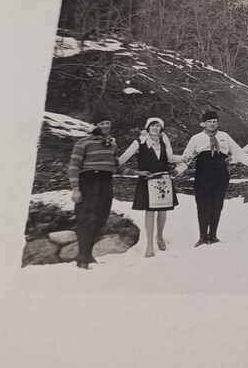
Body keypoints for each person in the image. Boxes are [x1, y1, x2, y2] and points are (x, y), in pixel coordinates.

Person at [181, 110, 248, 246]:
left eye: (215, 121)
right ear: (204, 124)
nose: (212, 124)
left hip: (221, 175)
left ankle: (213, 236)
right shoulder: (196, 138)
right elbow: (186, 158)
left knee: (217, 204)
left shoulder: (224, 136)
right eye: (209, 122)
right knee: (202, 204)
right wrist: (178, 170)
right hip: (203, 174)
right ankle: (202, 237)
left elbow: (238, 153)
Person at [117, 117, 186, 257]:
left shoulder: (164, 142)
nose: (155, 128)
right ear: (147, 128)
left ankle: (159, 236)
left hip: (163, 179)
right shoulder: (139, 142)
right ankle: (149, 245)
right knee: (150, 211)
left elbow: (171, 158)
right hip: (147, 180)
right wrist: (135, 172)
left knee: (163, 210)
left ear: (161, 129)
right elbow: (121, 160)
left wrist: (183, 162)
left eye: (158, 126)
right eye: (152, 125)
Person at [67, 114, 119, 269]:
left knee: (101, 217)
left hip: (106, 181)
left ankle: (88, 254)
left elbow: (115, 165)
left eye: (108, 122)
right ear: (95, 125)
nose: (106, 126)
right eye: (102, 123)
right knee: (86, 217)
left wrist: (137, 171)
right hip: (89, 181)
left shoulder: (112, 144)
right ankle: (82, 256)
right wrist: (75, 189)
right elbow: (74, 166)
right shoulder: (83, 142)